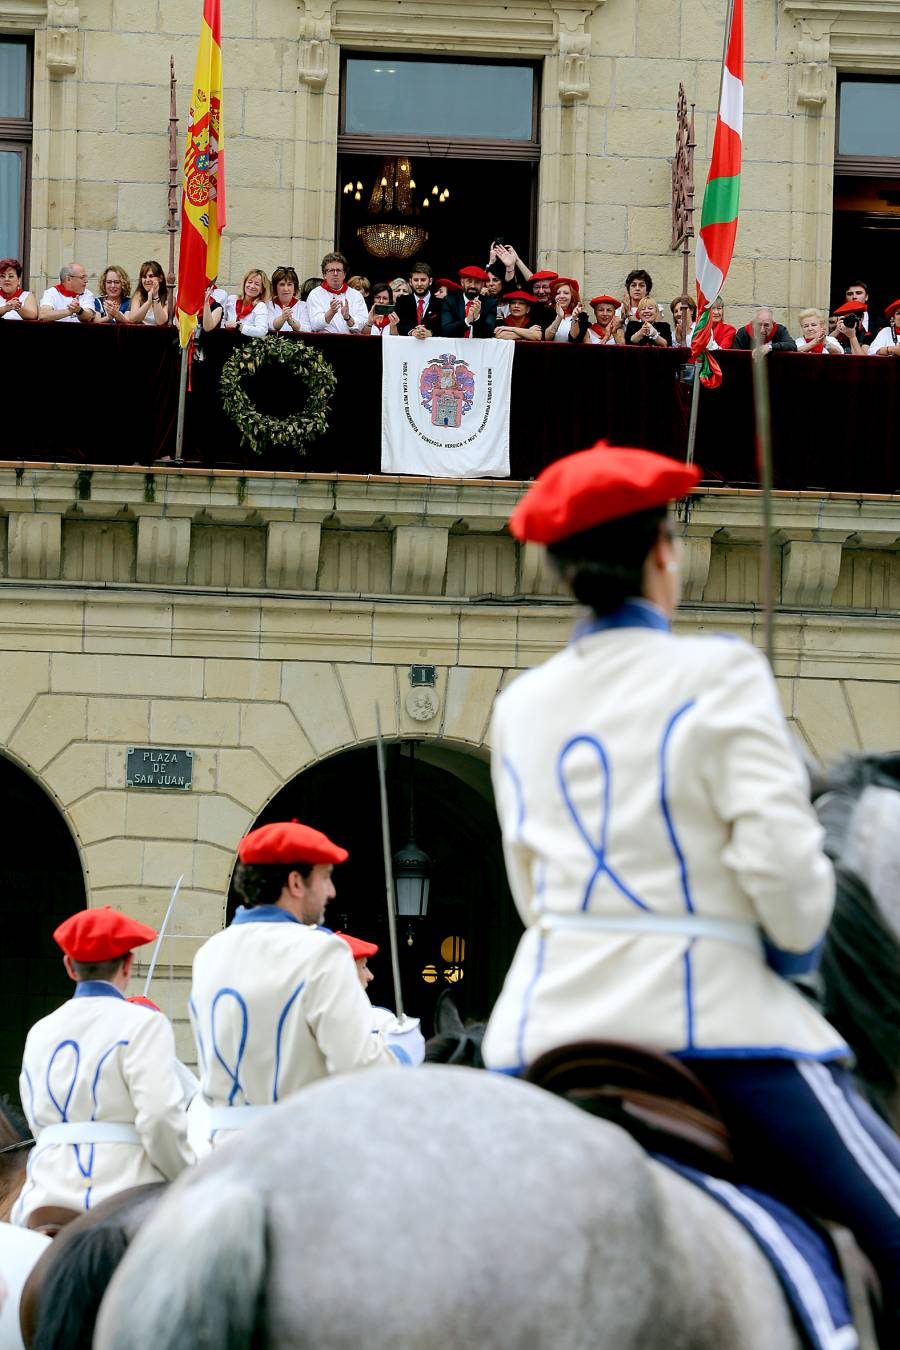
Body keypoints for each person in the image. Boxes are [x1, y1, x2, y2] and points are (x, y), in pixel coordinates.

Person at [481, 440, 900, 1345]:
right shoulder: (721, 673)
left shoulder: (520, 705)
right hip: (716, 1033)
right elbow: (787, 878)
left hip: (539, 1041)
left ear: (560, 571)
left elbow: (528, 886)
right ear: (664, 549)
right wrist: (792, 958)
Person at [189, 820, 424, 1147]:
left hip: (220, 1153)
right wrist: (403, 1052)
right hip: (296, 1151)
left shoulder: (209, 952)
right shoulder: (323, 951)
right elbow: (359, 1068)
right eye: (326, 877)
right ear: (296, 882)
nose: (332, 891)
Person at [12, 906, 193, 1227]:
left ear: (69, 966)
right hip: (125, 1190)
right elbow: (160, 1117)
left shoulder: (40, 1030)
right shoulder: (145, 1023)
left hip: (45, 1194)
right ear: (127, 964)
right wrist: (187, 1173)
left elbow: (37, 1118)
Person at [307, 252, 369, 335]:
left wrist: (348, 318)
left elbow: (361, 325)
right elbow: (315, 325)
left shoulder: (356, 295)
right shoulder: (315, 294)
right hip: (324, 343)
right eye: (331, 270)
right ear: (324, 275)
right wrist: (331, 312)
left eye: (339, 270)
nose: (335, 274)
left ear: (344, 274)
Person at [439, 266, 496, 338]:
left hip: (479, 347)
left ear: (483, 285)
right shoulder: (450, 300)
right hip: (455, 346)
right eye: (469, 281)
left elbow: (490, 332)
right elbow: (446, 330)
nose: (472, 285)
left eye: (477, 282)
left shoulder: (490, 303)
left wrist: (477, 318)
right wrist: (467, 321)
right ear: (462, 282)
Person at [394, 261, 441, 338]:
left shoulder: (441, 302)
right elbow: (400, 323)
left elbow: (444, 326)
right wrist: (412, 332)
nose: (419, 284)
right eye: (416, 280)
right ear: (410, 282)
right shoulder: (402, 301)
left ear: (430, 281)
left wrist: (431, 332)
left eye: (423, 280)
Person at [224, 269, 270, 336]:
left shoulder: (260, 306)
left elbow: (262, 331)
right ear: (244, 283)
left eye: (257, 284)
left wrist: (239, 327)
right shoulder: (232, 299)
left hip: (246, 344)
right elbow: (223, 319)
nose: (252, 286)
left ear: (262, 289)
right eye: (250, 282)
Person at [545, 278, 590, 343]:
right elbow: (547, 338)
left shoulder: (582, 316)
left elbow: (574, 338)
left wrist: (574, 318)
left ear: (572, 296)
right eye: (558, 293)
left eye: (566, 293)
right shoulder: (548, 312)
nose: (561, 296)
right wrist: (559, 317)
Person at [268, 265, 310, 335]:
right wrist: (283, 318)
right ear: (275, 287)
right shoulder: (268, 305)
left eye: (289, 284)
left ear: (295, 287)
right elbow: (268, 327)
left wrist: (292, 322)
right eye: (282, 284)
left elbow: (308, 329)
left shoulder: (303, 306)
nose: (286, 289)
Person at [127, 261, 169, 326]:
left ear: (160, 278)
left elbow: (161, 321)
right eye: (144, 277)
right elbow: (133, 319)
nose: (147, 280)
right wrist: (148, 302)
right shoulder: (138, 295)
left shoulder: (169, 297)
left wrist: (155, 296)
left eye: (151, 276)